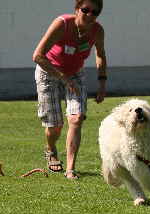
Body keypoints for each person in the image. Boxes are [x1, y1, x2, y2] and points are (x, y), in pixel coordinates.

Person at [33, 0, 107, 179]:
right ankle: (50, 150)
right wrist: (62, 78)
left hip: (75, 74)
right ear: (76, 9)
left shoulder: (97, 31)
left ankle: (70, 169)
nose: (90, 15)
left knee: (76, 117)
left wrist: (102, 83)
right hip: (49, 72)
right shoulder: (62, 24)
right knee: (55, 126)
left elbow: (100, 54)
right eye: (85, 10)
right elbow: (38, 56)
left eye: (95, 12)